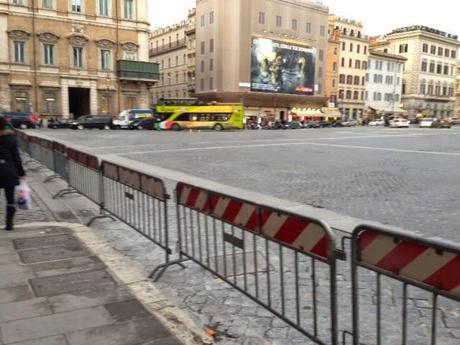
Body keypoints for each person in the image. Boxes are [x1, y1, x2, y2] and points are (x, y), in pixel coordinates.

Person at [0, 117, 25, 230]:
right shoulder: (11, 138)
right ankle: (9, 224)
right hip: (8, 169)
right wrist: (21, 172)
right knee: (10, 197)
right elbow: (16, 157)